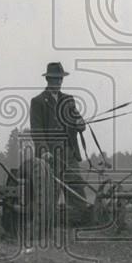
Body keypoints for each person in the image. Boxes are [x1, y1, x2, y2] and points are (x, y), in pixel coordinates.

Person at [29, 62, 92, 225]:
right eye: (55, 79)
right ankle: (46, 223)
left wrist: (79, 123)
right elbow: (37, 130)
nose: (58, 82)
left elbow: (81, 125)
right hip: (49, 156)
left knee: (77, 189)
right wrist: (43, 151)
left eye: (60, 79)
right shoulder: (38, 102)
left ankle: (79, 221)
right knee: (50, 192)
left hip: (69, 153)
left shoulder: (69, 100)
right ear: (48, 79)